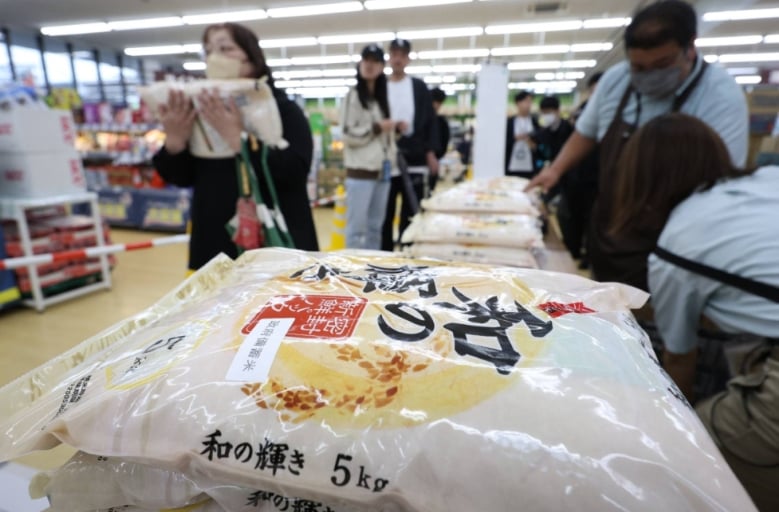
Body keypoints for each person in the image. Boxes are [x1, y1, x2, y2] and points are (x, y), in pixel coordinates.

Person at [609, 113, 779, 511]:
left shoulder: (678, 242)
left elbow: (679, 362)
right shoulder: (768, 181)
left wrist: (668, 428)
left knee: (670, 459)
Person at [526, 0, 748, 291]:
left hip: (678, 237)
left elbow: (721, 181)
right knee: (608, 304)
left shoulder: (720, 96)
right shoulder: (615, 81)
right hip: (611, 226)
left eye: (662, 65)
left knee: (663, 317)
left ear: (690, 49)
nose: (649, 75)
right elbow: (586, 132)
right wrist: (555, 171)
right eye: (639, 67)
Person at [153, 22, 318, 271]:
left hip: (275, 243)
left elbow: (294, 173)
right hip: (214, 245)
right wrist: (174, 143)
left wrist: (238, 140)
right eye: (208, 51)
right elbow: (183, 177)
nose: (214, 58)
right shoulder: (200, 110)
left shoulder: (284, 110)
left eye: (225, 48)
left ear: (253, 58)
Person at [381, 38, 438, 251]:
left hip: (414, 156)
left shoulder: (419, 87)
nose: (397, 59)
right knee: (385, 211)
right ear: (389, 57)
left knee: (411, 210)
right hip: (386, 157)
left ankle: (407, 251)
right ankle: (384, 254)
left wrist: (431, 153)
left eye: (402, 55)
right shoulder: (381, 87)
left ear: (408, 59)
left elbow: (430, 122)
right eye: (394, 54)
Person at [340, 44, 396, 250]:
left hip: (383, 171)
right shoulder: (353, 96)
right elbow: (347, 135)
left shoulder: (381, 99)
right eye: (366, 60)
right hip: (360, 173)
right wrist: (377, 127)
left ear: (382, 66)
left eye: (375, 61)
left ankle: (373, 272)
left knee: (375, 228)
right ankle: (351, 274)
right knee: (356, 229)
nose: (369, 65)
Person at [557, 72, 603, 266]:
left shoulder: (617, 114)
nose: (597, 95)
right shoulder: (581, 112)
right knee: (571, 215)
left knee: (594, 220)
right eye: (593, 91)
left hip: (600, 178)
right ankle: (574, 249)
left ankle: (589, 256)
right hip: (576, 176)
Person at [505, 91, 539, 178]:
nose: (528, 104)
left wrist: (532, 143)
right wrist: (515, 138)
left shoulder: (534, 122)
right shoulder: (510, 122)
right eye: (526, 101)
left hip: (529, 165)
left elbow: (539, 142)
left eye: (530, 102)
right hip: (512, 165)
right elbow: (504, 142)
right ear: (518, 103)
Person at [430, 87, 451, 193]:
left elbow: (444, 142)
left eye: (439, 103)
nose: (436, 105)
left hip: (434, 162)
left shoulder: (441, 122)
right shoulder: (440, 122)